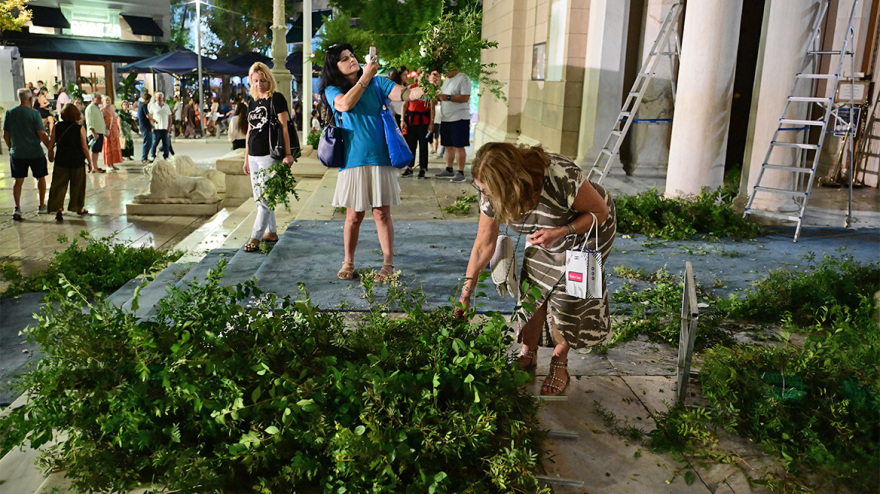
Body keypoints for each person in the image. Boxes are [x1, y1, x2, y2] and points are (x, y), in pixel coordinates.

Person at [456, 143, 617, 396]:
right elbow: (482, 246)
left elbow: (600, 212)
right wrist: (465, 294)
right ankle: (528, 352)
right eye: (480, 189)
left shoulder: (560, 175)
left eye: (486, 190)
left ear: (510, 184)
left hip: (586, 230)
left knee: (568, 298)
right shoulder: (491, 194)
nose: (483, 196)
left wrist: (561, 232)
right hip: (545, 233)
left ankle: (559, 362)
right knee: (532, 288)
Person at [320, 43, 426, 281]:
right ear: (335, 67)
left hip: (380, 156)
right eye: (344, 59)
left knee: (381, 213)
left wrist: (424, 88)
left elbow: (404, 94)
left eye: (352, 56)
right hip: (352, 158)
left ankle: (388, 263)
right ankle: (348, 261)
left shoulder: (379, 83)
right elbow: (345, 104)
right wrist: (365, 77)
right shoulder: (332, 89)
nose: (351, 60)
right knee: (353, 215)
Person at [242, 62, 295, 253]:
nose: (259, 84)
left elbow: (284, 128)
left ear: (269, 80)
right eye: (255, 81)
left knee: (264, 199)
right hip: (254, 154)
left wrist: (288, 154)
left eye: (262, 80)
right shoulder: (252, 102)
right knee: (260, 198)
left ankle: (255, 237)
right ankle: (271, 232)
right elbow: (249, 131)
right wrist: (246, 158)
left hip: (269, 154)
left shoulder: (277, 99)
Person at [4, 88, 54, 220]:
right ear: (31, 99)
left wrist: (11, 147)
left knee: (18, 181)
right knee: (40, 178)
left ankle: (17, 208)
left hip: (17, 153)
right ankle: (42, 205)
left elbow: (6, 134)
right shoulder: (34, 114)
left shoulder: (10, 113)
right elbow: (42, 134)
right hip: (35, 152)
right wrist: (50, 147)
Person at [48, 103, 91, 221]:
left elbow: (51, 142)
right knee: (78, 185)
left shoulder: (57, 126)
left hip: (61, 159)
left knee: (58, 185)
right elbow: (84, 146)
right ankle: (78, 207)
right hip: (76, 160)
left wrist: (50, 153)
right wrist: (90, 161)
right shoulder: (79, 128)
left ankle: (58, 208)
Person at [432, 68, 471, 183]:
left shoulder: (463, 78)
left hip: (459, 117)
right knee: (448, 145)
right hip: (446, 118)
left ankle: (460, 172)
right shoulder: (446, 81)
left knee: (459, 146)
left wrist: (448, 97)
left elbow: (465, 97)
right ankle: (449, 169)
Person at [400, 70, 433, 179]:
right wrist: (402, 119)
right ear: (418, 76)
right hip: (411, 119)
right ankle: (409, 167)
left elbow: (431, 108)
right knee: (410, 145)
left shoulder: (429, 90)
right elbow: (405, 104)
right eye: (422, 74)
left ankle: (423, 168)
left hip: (424, 120)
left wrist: (431, 123)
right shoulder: (411, 88)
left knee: (423, 145)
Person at [84, 93, 107, 173]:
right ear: (93, 98)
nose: (100, 100)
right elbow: (89, 121)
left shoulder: (97, 108)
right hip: (94, 132)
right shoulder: (90, 108)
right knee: (94, 150)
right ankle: (93, 167)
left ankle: (96, 166)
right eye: (98, 98)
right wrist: (93, 132)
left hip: (99, 132)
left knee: (97, 150)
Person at [149, 92, 173, 160]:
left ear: (162, 98)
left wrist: (169, 126)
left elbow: (169, 116)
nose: (158, 99)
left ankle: (166, 156)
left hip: (164, 127)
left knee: (166, 143)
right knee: (154, 143)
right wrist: (152, 125)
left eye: (160, 97)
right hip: (156, 128)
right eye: (157, 97)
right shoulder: (153, 106)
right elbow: (150, 116)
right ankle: (153, 155)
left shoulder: (166, 106)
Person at [101, 96, 122, 171]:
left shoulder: (112, 110)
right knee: (108, 147)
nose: (107, 102)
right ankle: (108, 164)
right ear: (103, 102)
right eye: (106, 100)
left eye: (108, 100)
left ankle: (113, 163)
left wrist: (119, 130)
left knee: (114, 147)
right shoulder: (102, 110)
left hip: (114, 131)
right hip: (107, 131)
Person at [137, 93, 154, 162]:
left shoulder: (140, 104)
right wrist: (154, 120)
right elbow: (147, 115)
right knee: (147, 142)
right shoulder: (144, 105)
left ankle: (145, 157)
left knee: (148, 141)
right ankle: (144, 157)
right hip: (145, 126)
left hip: (143, 125)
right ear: (148, 99)